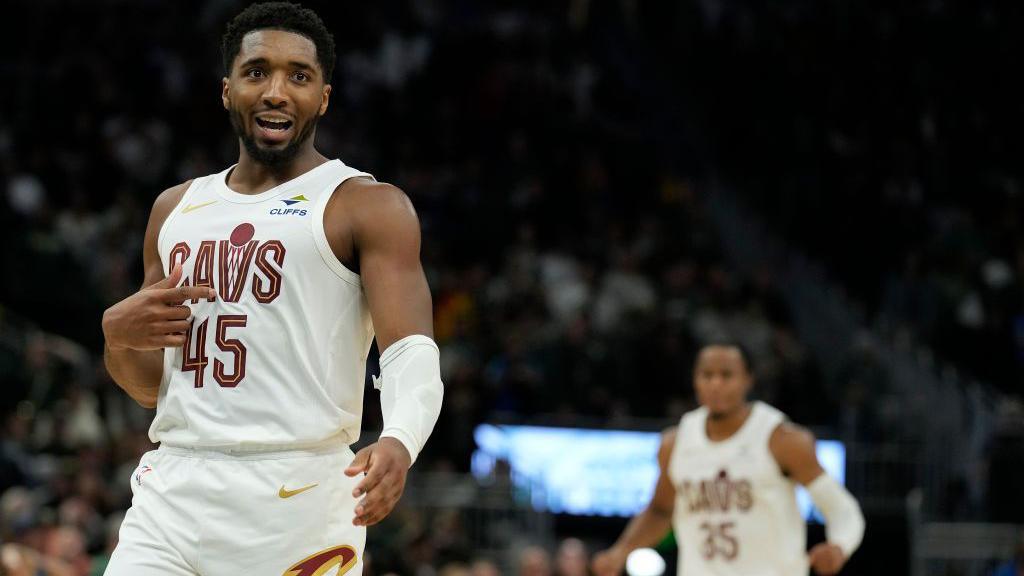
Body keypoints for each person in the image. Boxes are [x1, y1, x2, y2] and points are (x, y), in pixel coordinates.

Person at [99, 3, 443, 574]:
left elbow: (411, 351)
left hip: (298, 494)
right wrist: (116, 339)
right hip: (174, 486)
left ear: (324, 97)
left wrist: (400, 440)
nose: (276, 91)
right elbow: (152, 390)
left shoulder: (366, 205)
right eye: (257, 71)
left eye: (298, 76)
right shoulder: (174, 209)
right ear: (227, 89)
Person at [592, 342, 864, 576]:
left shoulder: (782, 439)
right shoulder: (674, 443)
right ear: (695, 380)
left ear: (748, 380)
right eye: (707, 375)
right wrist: (621, 551)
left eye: (726, 375)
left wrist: (839, 545)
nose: (716, 384)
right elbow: (660, 511)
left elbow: (842, 509)